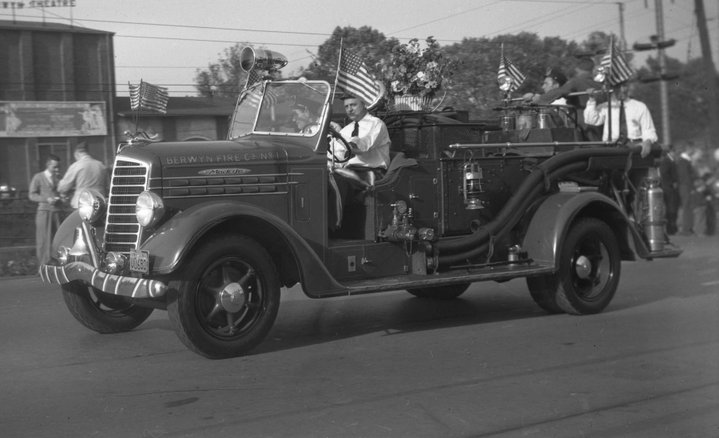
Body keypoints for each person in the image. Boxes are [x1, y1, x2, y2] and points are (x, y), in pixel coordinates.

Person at [533, 57, 603, 139]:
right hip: (599, 128)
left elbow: (560, 91)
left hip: (582, 128)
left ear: (577, 69)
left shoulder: (576, 81)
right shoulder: (600, 86)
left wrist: (539, 100)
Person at [583, 80, 658, 158]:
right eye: (618, 87)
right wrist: (592, 100)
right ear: (612, 89)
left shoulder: (640, 106)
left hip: (634, 149)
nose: (622, 90)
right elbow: (591, 120)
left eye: (624, 86)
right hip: (611, 149)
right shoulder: (606, 106)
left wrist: (648, 141)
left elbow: (648, 129)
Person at [330, 94, 391, 183]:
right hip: (349, 171)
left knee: (339, 181)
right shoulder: (346, 130)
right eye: (346, 106)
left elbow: (362, 147)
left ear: (364, 105)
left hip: (371, 172)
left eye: (353, 105)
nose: (349, 109)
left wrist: (338, 135)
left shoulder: (376, 124)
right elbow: (338, 156)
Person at [28, 155, 62, 265]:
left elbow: (61, 193)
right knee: (43, 239)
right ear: (48, 165)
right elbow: (32, 195)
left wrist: (61, 198)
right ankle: (43, 265)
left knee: (58, 238)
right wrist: (46, 199)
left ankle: (57, 264)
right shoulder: (38, 177)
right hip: (43, 212)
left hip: (56, 211)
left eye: (58, 167)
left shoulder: (58, 178)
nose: (57, 169)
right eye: (54, 167)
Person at [58, 142, 108, 208]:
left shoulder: (76, 165)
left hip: (82, 202)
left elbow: (63, 187)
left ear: (76, 154)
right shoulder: (101, 165)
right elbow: (107, 186)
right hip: (99, 201)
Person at [659, 145, 680, 235]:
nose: (676, 154)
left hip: (669, 187)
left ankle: (672, 228)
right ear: (671, 151)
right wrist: (672, 182)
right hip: (668, 187)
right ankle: (671, 229)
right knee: (671, 208)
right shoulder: (667, 161)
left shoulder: (670, 161)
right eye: (675, 152)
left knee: (672, 208)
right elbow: (664, 173)